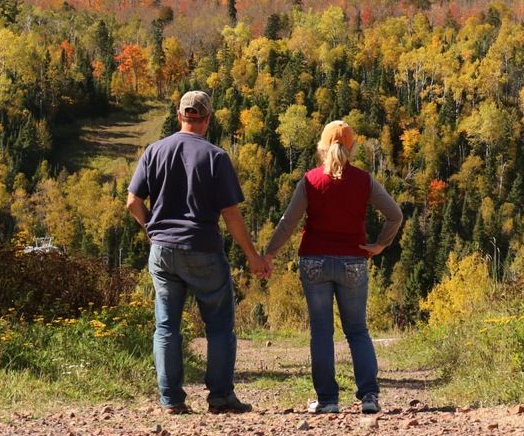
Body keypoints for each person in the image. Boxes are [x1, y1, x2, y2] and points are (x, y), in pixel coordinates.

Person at [126, 90, 268, 415]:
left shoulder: (154, 151)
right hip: (202, 248)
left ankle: (171, 400)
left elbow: (133, 202)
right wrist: (252, 255)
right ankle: (220, 398)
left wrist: (153, 230)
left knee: (166, 326)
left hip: (163, 251)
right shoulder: (215, 157)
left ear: (179, 116)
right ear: (207, 119)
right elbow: (232, 215)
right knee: (218, 326)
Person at [261, 120, 403, 415]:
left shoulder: (310, 180)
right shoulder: (364, 180)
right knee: (357, 331)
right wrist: (380, 245)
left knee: (322, 332)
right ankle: (368, 397)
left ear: (322, 148)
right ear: (351, 148)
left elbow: (288, 222)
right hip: (353, 261)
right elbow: (395, 215)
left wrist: (269, 253)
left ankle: (327, 400)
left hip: (314, 261)